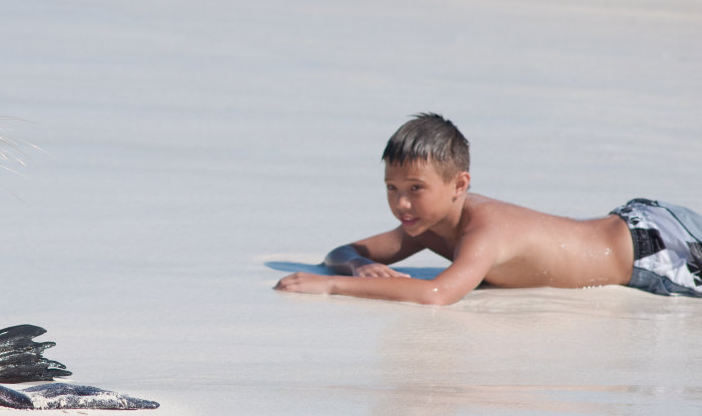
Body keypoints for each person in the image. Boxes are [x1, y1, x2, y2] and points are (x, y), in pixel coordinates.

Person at [275, 113, 702, 305]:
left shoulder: (485, 232)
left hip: (659, 252)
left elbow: (437, 293)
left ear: (460, 184)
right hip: (636, 223)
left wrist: (332, 287)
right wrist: (356, 266)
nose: (401, 203)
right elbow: (344, 251)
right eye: (392, 187)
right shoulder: (424, 223)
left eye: (416, 188)